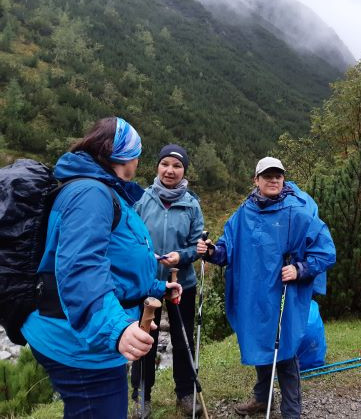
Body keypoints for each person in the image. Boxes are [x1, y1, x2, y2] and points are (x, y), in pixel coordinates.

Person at [20, 117, 182, 419]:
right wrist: (116, 328)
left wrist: (158, 287)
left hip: (88, 336)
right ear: (126, 155)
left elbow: (115, 261)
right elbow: (81, 269)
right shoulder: (91, 194)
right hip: (78, 343)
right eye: (137, 152)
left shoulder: (107, 192)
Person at [196, 157, 336, 419]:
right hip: (252, 296)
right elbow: (227, 251)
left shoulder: (299, 211)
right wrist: (211, 251)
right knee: (260, 343)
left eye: (278, 176)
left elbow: (326, 253)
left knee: (285, 349)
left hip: (284, 295)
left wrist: (299, 269)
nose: (273, 180)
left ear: (283, 179)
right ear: (256, 180)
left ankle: (291, 411)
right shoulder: (243, 213)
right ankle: (262, 399)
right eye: (267, 176)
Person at [130, 144, 204, 417]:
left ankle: (185, 393)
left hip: (180, 282)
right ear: (157, 167)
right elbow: (131, 238)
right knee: (143, 337)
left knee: (182, 339)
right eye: (165, 164)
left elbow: (197, 245)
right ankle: (141, 396)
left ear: (184, 171)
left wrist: (181, 256)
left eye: (177, 165)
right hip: (146, 283)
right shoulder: (142, 200)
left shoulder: (191, 204)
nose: (170, 170)